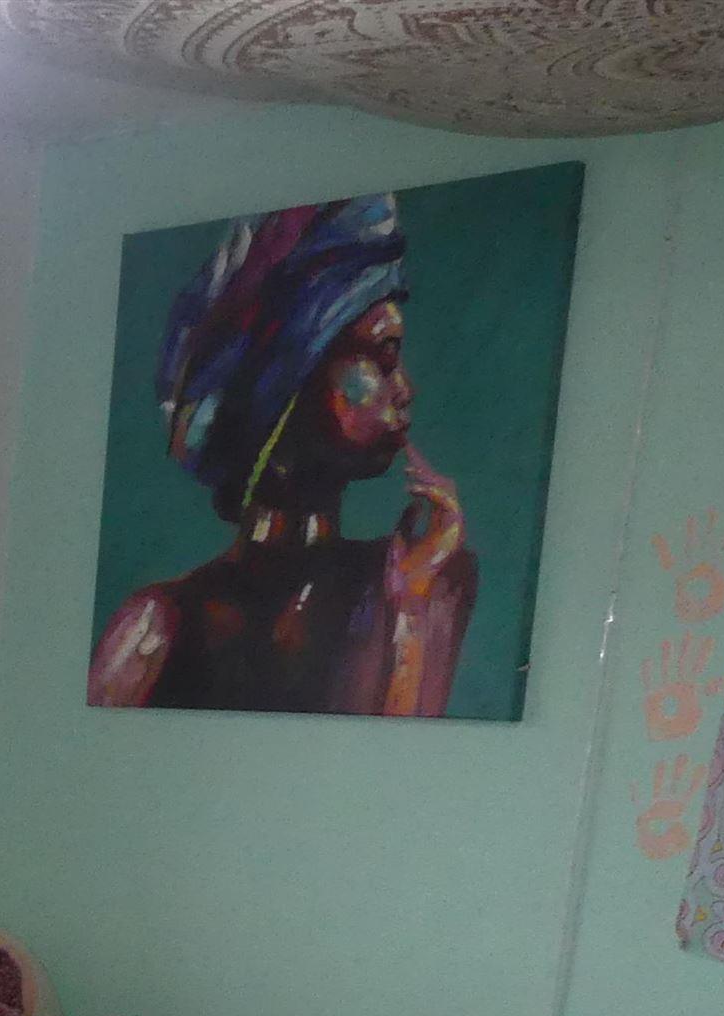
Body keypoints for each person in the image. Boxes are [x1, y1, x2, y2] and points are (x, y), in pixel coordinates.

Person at [90, 193, 476, 717]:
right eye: (382, 356)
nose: (405, 388)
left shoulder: (424, 578)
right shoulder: (155, 628)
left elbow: (400, 776)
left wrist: (410, 609)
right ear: (287, 386)